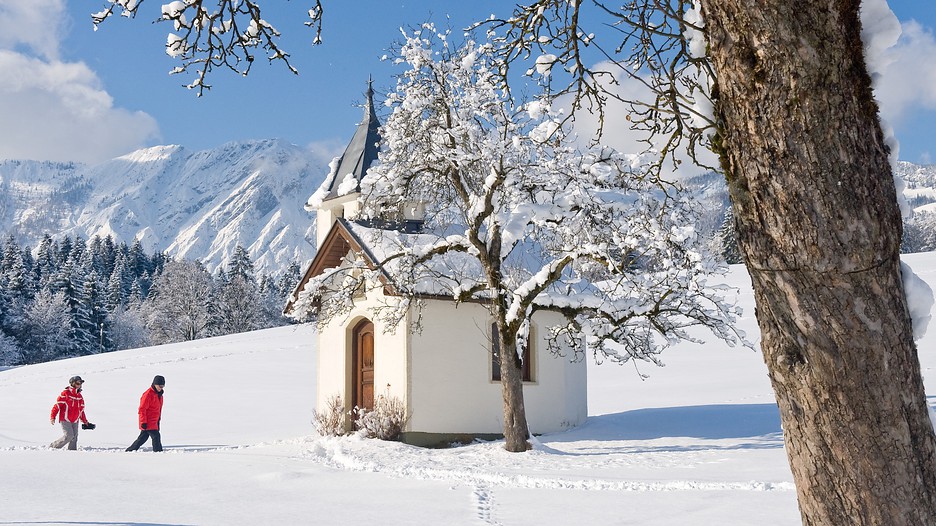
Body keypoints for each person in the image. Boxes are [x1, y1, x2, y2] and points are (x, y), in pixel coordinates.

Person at [50, 375, 95, 450]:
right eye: (78, 383)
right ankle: (53, 447)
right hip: (65, 419)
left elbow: (81, 411)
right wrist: (52, 417)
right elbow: (57, 406)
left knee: (74, 438)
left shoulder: (80, 396)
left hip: (75, 420)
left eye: (80, 383)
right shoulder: (66, 393)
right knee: (69, 436)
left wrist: (85, 422)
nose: (79, 385)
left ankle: (72, 453)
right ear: (72, 383)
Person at [126, 375, 165, 452]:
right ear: (155, 384)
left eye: (163, 386)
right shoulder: (148, 394)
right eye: (160, 386)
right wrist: (143, 422)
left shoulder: (159, 395)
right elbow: (142, 409)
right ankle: (158, 453)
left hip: (155, 421)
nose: (161, 388)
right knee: (156, 436)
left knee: (142, 438)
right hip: (148, 421)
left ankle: (130, 450)